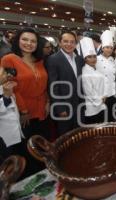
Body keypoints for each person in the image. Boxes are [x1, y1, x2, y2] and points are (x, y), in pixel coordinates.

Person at [1, 28, 49, 177]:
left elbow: (45, 84)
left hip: (41, 109)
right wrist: (23, 111)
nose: (29, 43)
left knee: (40, 146)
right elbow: (11, 88)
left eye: (33, 41)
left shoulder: (40, 61)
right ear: (17, 41)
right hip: (22, 110)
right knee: (26, 148)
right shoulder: (9, 59)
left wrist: (48, 101)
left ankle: (43, 175)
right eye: (25, 39)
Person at [46, 31, 85, 135]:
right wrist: (60, 108)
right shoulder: (53, 59)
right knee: (65, 136)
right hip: (64, 105)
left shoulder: (79, 59)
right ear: (60, 42)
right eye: (66, 41)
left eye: (72, 42)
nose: (69, 44)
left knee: (78, 134)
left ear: (76, 44)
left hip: (79, 104)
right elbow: (53, 86)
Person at [80, 37, 107, 124]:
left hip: (101, 105)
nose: (93, 59)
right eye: (89, 57)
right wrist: (100, 100)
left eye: (94, 56)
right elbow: (89, 92)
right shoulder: (85, 72)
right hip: (92, 108)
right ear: (85, 59)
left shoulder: (96, 68)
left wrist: (104, 95)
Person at [0, 67, 22, 161]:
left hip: (16, 132)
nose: (7, 75)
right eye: (3, 74)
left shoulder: (5, 86)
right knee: (10, 165)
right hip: (5, 140)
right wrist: (6, 97)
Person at [96, 30, 116, 121]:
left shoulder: (113, 60)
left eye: (111, 48)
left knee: (111, 117)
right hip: (101, 96)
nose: (109, 50)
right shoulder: (96, 60)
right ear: (102, 48)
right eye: (107, 47)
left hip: (112, 94)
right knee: (102, 118)